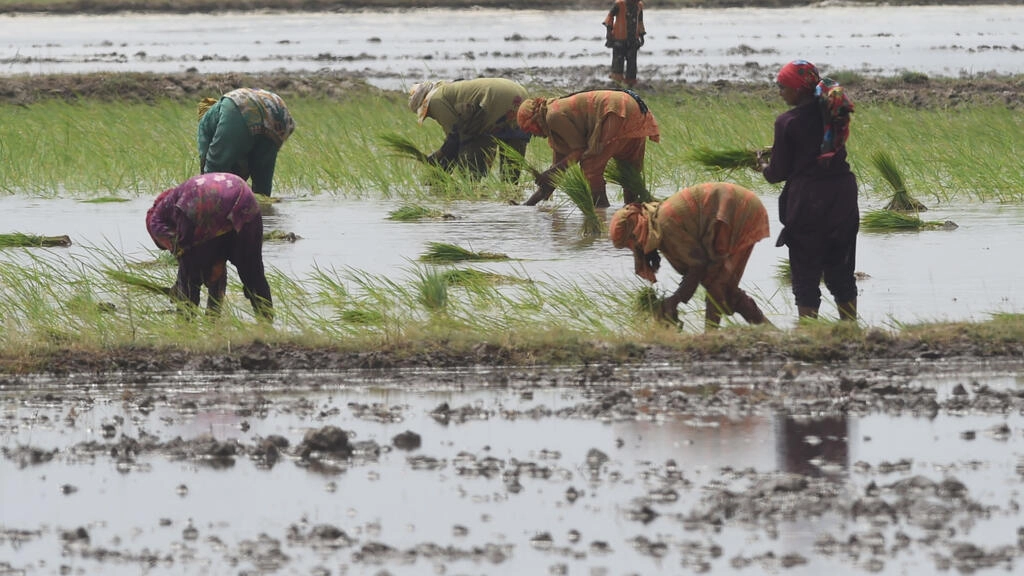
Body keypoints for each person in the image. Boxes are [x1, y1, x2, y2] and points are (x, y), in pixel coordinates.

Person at [759, 59, 859, 321]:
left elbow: (777, 173)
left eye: (782, 86)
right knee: (842, 271)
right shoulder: (832, 113)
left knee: (805, 274)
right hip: (842, 198)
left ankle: (807, 334)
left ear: (798, 89)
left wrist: (762, 165)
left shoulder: (787, 122)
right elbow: (817, 149)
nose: (779, 92)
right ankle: (850, 330)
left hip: (809, 204)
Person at [610, 182, 771, 330]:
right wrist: (674, 302)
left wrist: (675, 300)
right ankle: (771, 332)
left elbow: (699, 264)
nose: (634, 249)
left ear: (635, 230)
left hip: (737, 210)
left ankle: (709, 340)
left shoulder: (665, 224)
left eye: (629, 243)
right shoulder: (659, 226)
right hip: (730, 210)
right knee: (725, 291)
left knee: (718, 285)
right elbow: (697, 268)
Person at [146, 173, 273, 321]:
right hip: (243, 196)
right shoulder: (178, 198)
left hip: (201, 200)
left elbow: (185, 254)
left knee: (189, 276)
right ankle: (266, 326)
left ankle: (186, 330)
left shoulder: (155, 221)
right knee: (253, 271)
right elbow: (216, 259)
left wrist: (180, 286)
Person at [516, 89, 659, 208]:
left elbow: (579, 151)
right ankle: (633, 213)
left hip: (615, 111)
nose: (533, 135)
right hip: (632, 107)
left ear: (535, 119)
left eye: (530, 129)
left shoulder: (553, 116)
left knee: (590, 166)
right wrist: (527, 205)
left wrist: (551, 172)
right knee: (629, 172)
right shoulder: (554, 127)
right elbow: (555, 175)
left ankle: (601, 215)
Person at [407, 78, 531, 182]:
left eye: (428, 114)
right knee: (511, 175)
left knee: (470, 161)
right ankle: (511, 202)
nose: (431, 116)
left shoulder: (435, 99)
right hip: (520, 94)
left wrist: (434, 159)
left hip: (493, 99)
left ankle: (473, 194)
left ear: (424, 104)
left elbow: (455, 139)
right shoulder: (451, 90)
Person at [197, 88, 296, 198]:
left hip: (242, 107)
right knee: (262, 185)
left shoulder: (205, 123)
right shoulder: (220, 114)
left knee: (214, 171)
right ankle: (264, 211)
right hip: (279, 113)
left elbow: (209, 165)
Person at [603, 0, 645, 86]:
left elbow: (640, 21)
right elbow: (610, 17)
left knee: (632, 63)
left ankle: (631, 83)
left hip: (633, 40)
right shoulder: (619, 4)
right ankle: (617, 83)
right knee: (618, 62)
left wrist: (641, 35)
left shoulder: (639, 5)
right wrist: (608, 33)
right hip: (619, 39)